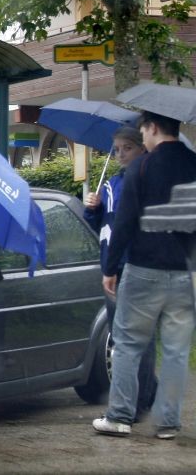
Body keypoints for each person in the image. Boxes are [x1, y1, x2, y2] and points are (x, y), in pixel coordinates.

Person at [93, 111, 196, 440]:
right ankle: (167, 424)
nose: (143, 138)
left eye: (143, 132)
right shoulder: (194, 164)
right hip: (186, 272)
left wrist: (110, 268)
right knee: (176, 351)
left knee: (127, 344)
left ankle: (120, 416)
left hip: (144, 269)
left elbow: (124, 223)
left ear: (152, 128)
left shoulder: (142, 166)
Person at [83, 126, 157, 415]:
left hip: (136, 265)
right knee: (119, 336)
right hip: (112, 267)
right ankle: (146, 391)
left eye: (127, 148)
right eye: (116, 149)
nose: (120, 154)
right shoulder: (112, 183)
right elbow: (103, 227)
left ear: (142, 148)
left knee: (139, 337)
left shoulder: (147, 181)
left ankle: (139, 401)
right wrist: (93, 209)